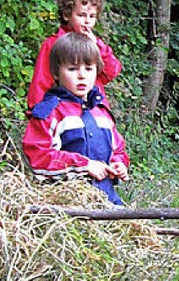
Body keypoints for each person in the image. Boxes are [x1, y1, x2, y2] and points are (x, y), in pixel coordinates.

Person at [22, 32, 129, 204]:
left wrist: (119, 164)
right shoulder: (50, 112)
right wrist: (84, 165)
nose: (82, 75)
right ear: (56, 73)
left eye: (88, 69)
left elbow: (118, 149)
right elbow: (39, 157)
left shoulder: (101, 111)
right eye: (72, 69)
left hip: (106, 199)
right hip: (65, 203)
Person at [28, 0, 122, 110]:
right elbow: (41, 81)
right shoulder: (54, 43)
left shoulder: (94, 44)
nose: (87, 21)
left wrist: (98, 45)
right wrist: (37, 111)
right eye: (81, 15)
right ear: (67, 15)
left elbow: (111, 72)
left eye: (92, 16)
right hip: (61, 108)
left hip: (92, 108)